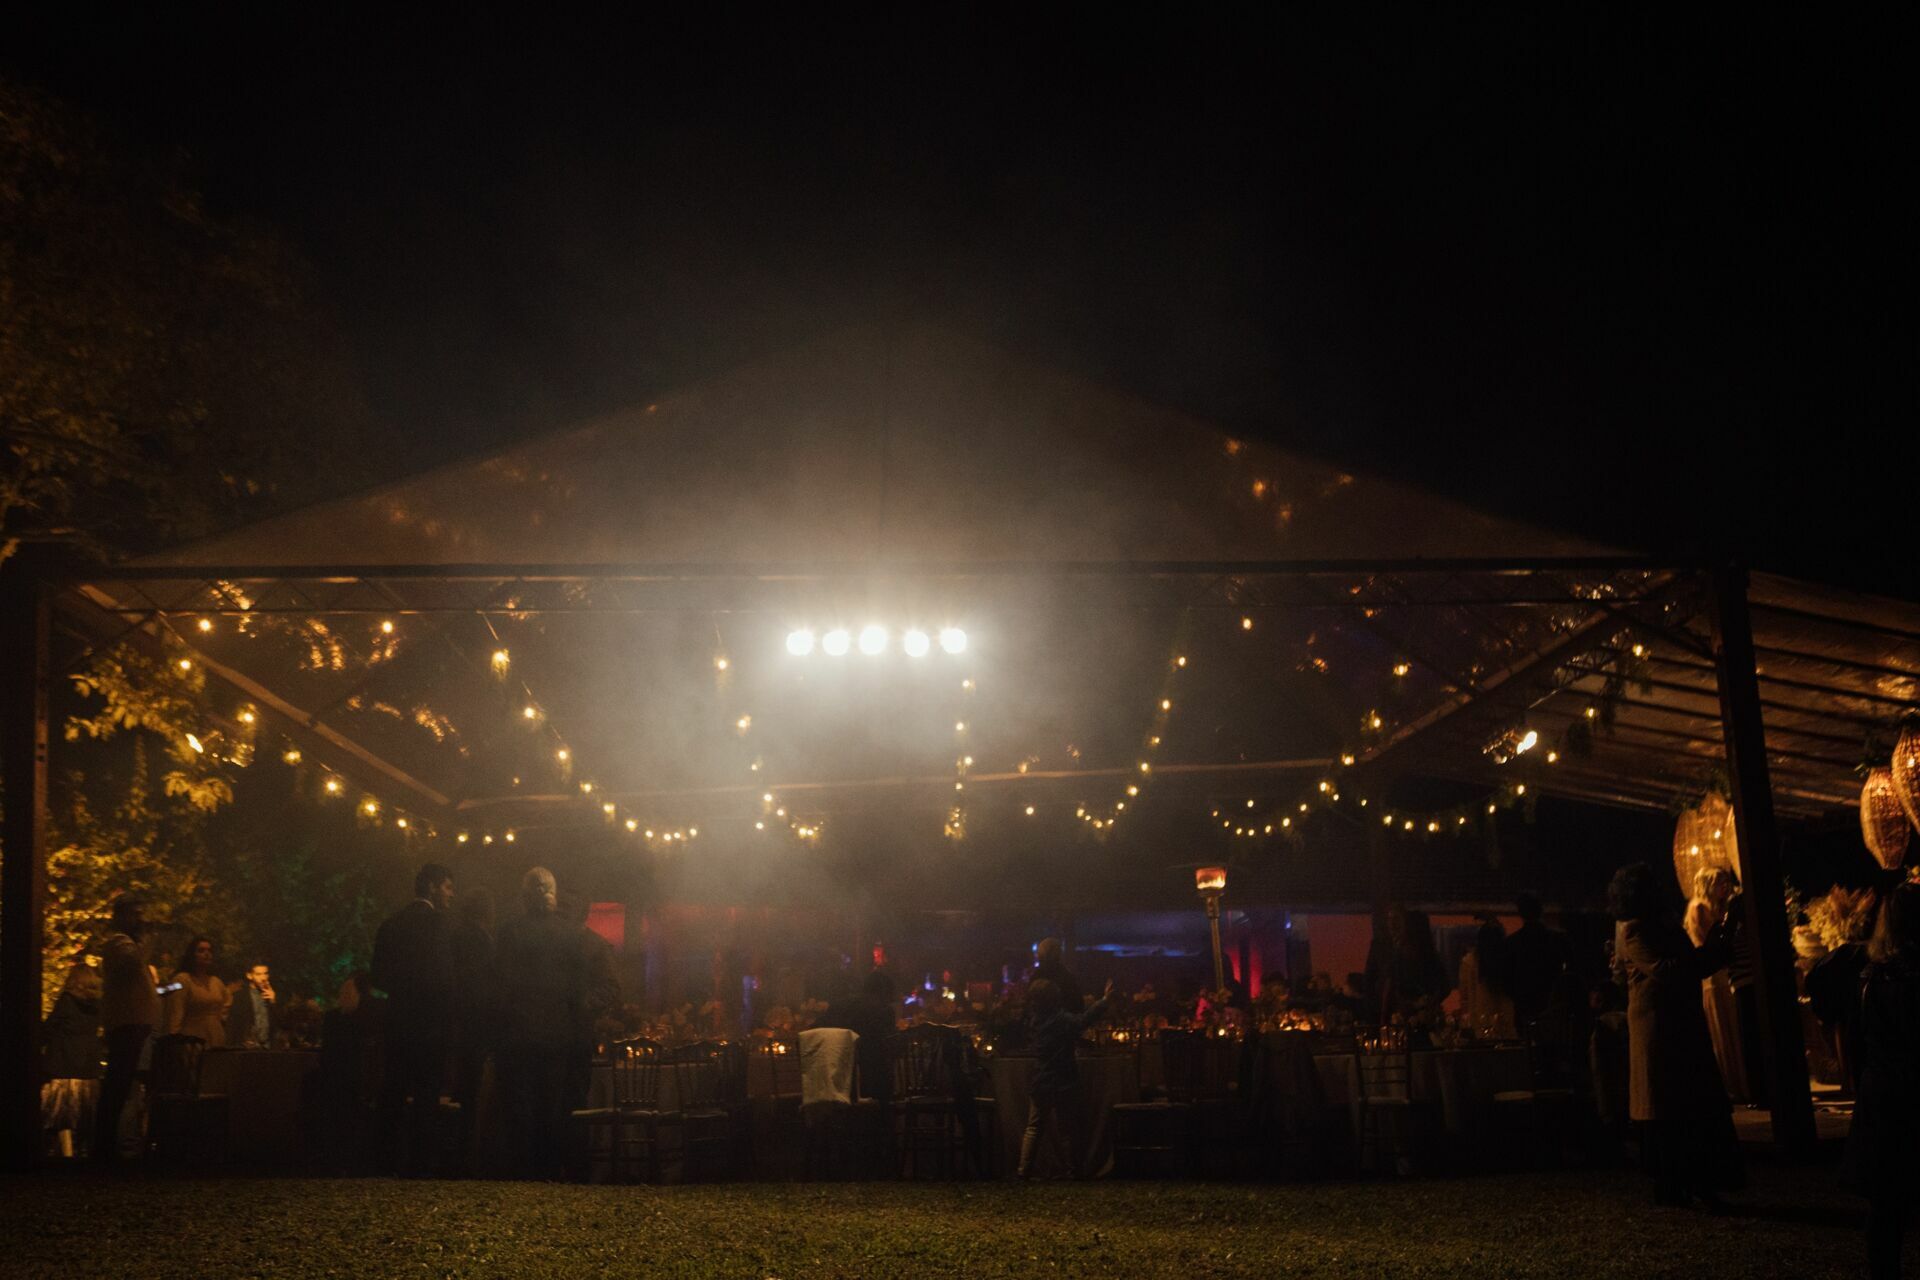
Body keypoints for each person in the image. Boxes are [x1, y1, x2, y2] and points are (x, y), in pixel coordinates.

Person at [1610, 861, 1741, 1209]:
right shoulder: (1635, 931)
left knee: (1690, 1103)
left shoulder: (1661, 925)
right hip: (1658, 1027)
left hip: (1679, 1021)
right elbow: (1668, 970)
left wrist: (1711, 952)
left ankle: (1698, 1180)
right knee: (1668, 1107)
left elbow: (1683, 962)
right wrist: (1709, 956)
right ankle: (1673, 1184)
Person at [1844, 882, 1920, 1279]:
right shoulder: (1909, 975)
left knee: (1886, 1203)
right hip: (1907, 1090)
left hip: (1881, 1092)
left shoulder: (1871, 975)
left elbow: (1859, 1038)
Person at [494, 867, 584, 1179]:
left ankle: (524, 1167)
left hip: (519, 1032)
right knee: (552, 1102)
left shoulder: (509, 933)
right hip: (557, 1031)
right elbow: (577, 987)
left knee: (522, 1103)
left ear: (523, 896)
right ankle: (549, 1166)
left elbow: (500, 984)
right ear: (553, 895)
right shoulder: (570, 934)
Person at [371, 862, 456, 1174]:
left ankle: (385, 1160)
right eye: (447, 886)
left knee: (392, 1090)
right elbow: (446, 979)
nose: (451, 893)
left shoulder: (392, 924)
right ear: (433, 887)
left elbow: (377, 976)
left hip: (397, 1023)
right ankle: (421, 1164)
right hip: (430, 1026)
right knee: (426, 1095)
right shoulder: (441, 926)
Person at [1017, 977, 1115, 1179]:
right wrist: (1104, 1000)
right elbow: (1083, 1020)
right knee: (1067, 1130)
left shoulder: (1034, 1020)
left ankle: (1023, 1171)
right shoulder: (1060, 1020)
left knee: (1034, 1127)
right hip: (1064, 1079)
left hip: (1042, 1080)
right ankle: (1072, 1171)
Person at [93, 897, 161, 1164]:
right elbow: (132, 964)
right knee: (116, 1085)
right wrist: (149, 939)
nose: (140, 920)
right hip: (126, 1024)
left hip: (134, 1024)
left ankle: (107, 1146)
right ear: (120, 917)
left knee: (120, 1085)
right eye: (135, 914)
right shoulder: (119, 943)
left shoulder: (129, 944)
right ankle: (104, 1148)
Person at [1685, 869, 1749, 1100]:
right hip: (1714, 979)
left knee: (1735, 1031)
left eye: (1725, 880)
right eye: (1718, 881)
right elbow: (1707, 945)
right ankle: (1735, 1086)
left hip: (1727, 975)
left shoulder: (1724, 909)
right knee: (1725, 1032)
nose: (1725, 885)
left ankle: (1744, 1084)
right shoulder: (1699, 908)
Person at [448, 887, 497, 1166]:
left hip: (457, 1023)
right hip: (477, 1026)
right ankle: (467, 1154)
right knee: (472, 1092)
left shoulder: (454, 938)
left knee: (458, 1090)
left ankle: (452, 1152)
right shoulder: (483, 942)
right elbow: (487, 986)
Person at [42, 963, 104, 1158]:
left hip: (64, 1067)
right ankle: (82, 1154)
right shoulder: (97, 1006)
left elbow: (49, 1028)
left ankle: (64, 1155)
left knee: (61, 1117)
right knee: (84, 1118)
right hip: (88, 1069)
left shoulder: (66, 1001)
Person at [822, 968, 898, 1104]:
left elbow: (815, 1031)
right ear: (883, 994)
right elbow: (887, 1045)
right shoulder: (882, 1011)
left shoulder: (839, 1006)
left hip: (832, 1076)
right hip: (870, 1080)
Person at [1508, 893, 1570, 1028]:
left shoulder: (1512, 943)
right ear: (1541, 911)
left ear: (1520, 913)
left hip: (1524, 1007)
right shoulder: (1557, 939)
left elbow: (1508, 979)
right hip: (1552, 1005)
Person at [163, 937, 233, 1047]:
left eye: (209, 950)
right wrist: (173, 1038)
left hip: (216, 1034)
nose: (207, 954)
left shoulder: (216, 982)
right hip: (192, 1038)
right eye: (201, 950)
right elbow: (175, 1011)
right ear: (192, 955)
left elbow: (226, 1003)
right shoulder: (181, 980)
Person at [1458, 919, 1517, 1040]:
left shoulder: (1470, 963)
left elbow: (1465, 998)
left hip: (1480, 1023)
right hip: (1506, 1024)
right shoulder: (1509, 962)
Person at [226, 961, 276, 1048]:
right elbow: (232, 1024)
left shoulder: (271, 994)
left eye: (265, 973)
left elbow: (278, 1024)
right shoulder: (240, 996)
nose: (263, 978)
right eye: (258, 974)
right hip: (247, 1047)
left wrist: (273, 1001)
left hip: (268, 1047)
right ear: (249, 975)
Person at [1033, 937, 1084, 1012]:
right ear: (1059, 954)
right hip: (1065, 1021)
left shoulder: (1037, 975)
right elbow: (1078, 1004)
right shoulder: (1066, 976)